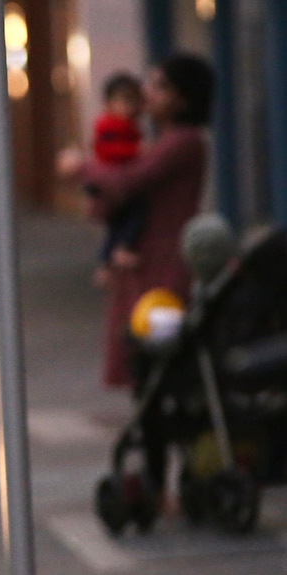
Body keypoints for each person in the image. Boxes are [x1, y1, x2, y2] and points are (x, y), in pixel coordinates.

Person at [61, 52, 216, 391]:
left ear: (183, 97)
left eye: (160, 87)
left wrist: (82, 168)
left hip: (162, 264)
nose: (148, 94)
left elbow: (129, 182)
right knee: (139, 358)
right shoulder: (155, 141)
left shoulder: (183, 143)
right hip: (141, 261)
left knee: (155, 357)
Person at [87, 72, 146, 288]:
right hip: (108, 182)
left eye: (134, 100)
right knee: (128, 218)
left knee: (120, 224)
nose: (129, 107)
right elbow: (108, 151)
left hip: (116, 182)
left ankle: (109, 260)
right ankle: (116, 253)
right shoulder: (109, 126)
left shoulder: (129, 126)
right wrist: (136, 152)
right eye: (124, 100)